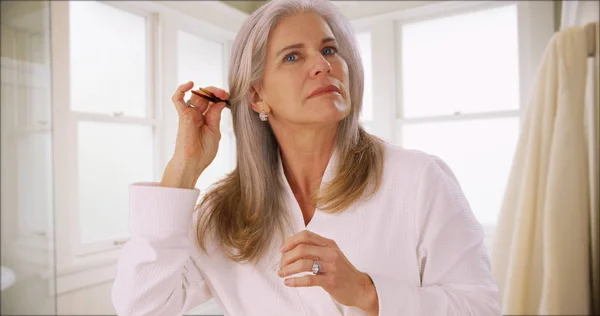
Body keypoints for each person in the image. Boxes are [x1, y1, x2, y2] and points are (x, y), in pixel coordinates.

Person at [112, 0, 501, 315]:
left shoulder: (418, 179)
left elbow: (481, 307)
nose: (323, 65)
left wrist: (367, 292)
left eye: (329, 49)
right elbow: (141, 306)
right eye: (293, 57)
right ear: (256, 97)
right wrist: (184, 168)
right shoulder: (222, 213)